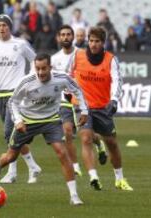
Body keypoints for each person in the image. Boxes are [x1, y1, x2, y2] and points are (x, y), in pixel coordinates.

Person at [0, 53, 88, 205]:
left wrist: (84, 111)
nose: (40, 72)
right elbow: (12, 102)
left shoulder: (62, 78)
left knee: (62, 153)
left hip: (51, 120)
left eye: (44, 69)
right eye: (37, 69)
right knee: (10, 157)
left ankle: (74, 196)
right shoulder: (27, 81)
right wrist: (18, 121)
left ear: (50, 68)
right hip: (28, 120)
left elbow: (77, 90)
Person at [0, 14, 41, 184]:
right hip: (0, 93)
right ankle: (31, 166)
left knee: (9, 132)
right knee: (12, 136)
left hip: (17, 94)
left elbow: (35, 60)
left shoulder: (20, 44)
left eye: (4, 25)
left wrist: (28, 79)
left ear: (10, 27)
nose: (1, 28)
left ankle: (13, 172)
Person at [71, 26, 133, 191]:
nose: (93, 44)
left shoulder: (111, 59)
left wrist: (113, 100)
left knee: (112, 142)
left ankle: (119, 179)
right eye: (91, 41)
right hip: (82, 105)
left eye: (97, 41)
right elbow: (68, 75)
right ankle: (94, 177)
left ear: (103, 43)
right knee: (85, 139)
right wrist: (66, 91)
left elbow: (117, 80)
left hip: (102, 106)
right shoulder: (77, 56)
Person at [51, 25, 107, 177]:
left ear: (73, 37)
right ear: (58, 37)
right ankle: (75, 166)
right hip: (64, 100)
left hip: (81, 100)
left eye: (68, 34)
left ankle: (99, 142)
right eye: (62, 35)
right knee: (67, 131)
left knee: (86, 135)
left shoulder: (81, 54)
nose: (65, 37)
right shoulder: (54, 59)